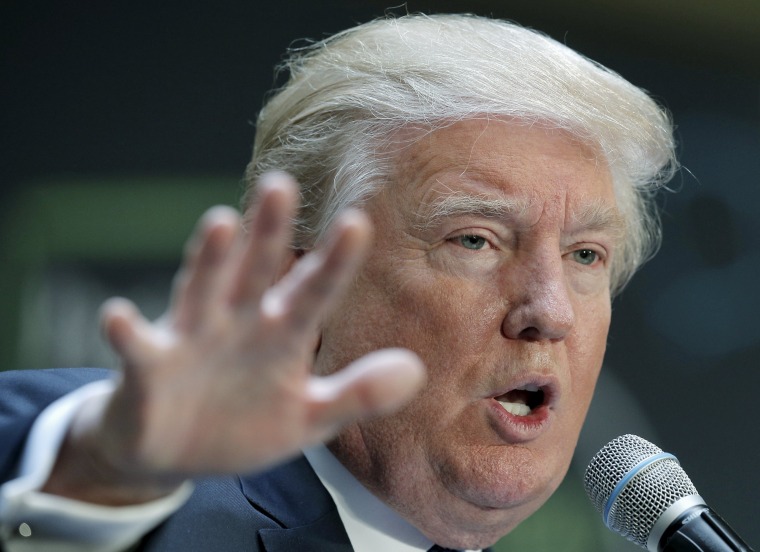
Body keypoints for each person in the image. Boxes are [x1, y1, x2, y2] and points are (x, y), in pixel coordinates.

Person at [0, 13, 677, 552]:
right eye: (475, 240)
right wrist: (97, 484)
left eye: (586, 256)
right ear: (296, 279)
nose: (550, 311)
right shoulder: (154, 486)